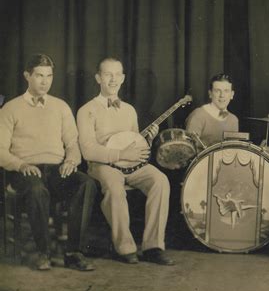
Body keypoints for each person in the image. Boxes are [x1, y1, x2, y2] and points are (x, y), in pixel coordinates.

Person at [0, 54, 96, 271]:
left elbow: (72, 142)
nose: (45, 81)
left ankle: (73, 252)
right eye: (39, 76)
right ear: (27, 76)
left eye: (49, 76)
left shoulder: (61, 107)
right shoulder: (10, 109)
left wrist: (71, 160)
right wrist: (21, 165)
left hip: (56, 170)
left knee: (86, 183)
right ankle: (43, 252)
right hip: (24, 171)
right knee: (36, 189)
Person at [77, 57, 174, 266]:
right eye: (107, 74)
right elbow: (87, 150)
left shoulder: (129, 110)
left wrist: (146, 140)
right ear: (98, 78)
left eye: (117, 74)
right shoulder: (87, 110)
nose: (113, 79)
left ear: (122, 78)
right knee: (114, 186)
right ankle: (125, 247)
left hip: (131, 165)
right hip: (102, 165)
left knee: (161, 181)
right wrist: (120, 156)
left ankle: (153, 247)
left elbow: (133, 143)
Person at [185, 73, 239, 148]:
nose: (222, 95)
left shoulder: (234, 120)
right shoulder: (198, 115)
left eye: (226, 91)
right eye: (217, 91)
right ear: (210, 93)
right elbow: (188, 149)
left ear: (232, 94)